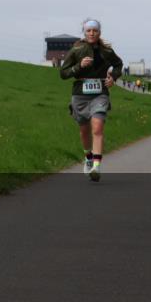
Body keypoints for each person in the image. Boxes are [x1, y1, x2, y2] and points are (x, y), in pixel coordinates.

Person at [59, 18, 124, 182]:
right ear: (84, 32)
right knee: (84, 130)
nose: (92, 33)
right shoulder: (76, 50)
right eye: (89, 30)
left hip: (100, 93)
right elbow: (63, 73)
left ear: (99, 32)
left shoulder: (107, 51)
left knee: (97, 126)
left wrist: (113, 78)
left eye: (95, 30)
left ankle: (96, 166)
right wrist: (79, 66)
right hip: (80, 94)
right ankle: (88, 157)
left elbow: (118, 64)